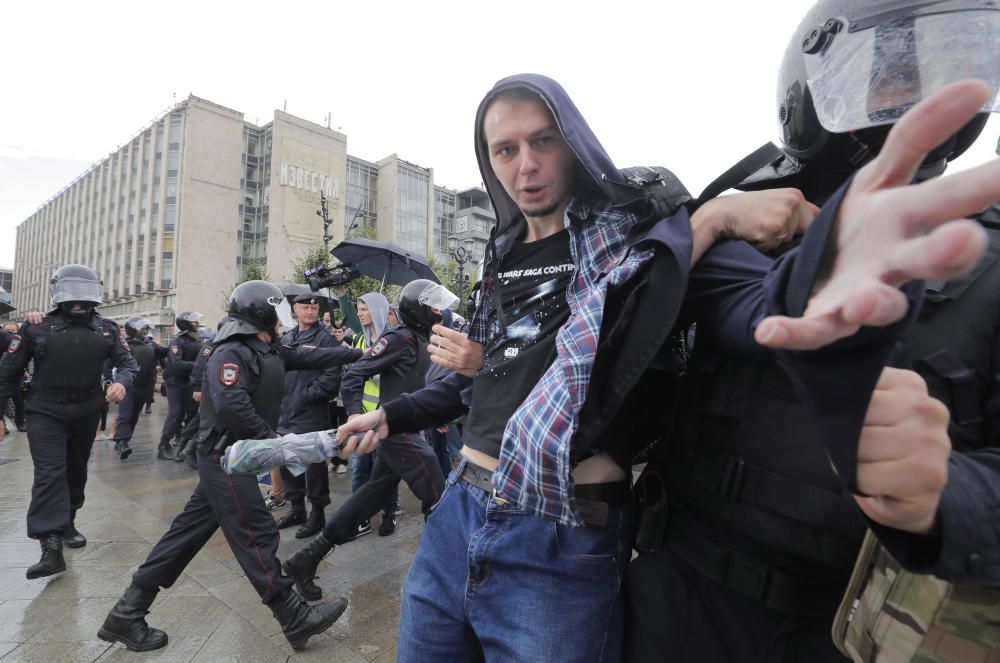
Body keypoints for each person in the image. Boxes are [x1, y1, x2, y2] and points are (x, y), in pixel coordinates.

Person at [334, 72, 999, 662]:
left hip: (562, 531)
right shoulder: (501, 252)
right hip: (459, 510)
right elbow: (474, 384)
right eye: (504, 150)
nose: (525, 165)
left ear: (576, 142)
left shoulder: (641, 226)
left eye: (543, 141)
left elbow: (719, 305)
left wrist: (714, 224)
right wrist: (388, 414)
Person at [625, 3, 1000, 659]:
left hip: (846, 631)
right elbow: (711, 312)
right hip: (677, 600)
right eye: (890, 76)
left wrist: (948, 493)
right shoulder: (743, 221)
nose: (911, 99)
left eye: (938, 73)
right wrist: (716, 224)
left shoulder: (984, 256)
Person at [97, 280, 362, 653]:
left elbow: (311, 356)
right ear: (259, 312)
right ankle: (293, 615)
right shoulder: (230, 351)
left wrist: (358, 356)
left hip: (232, 456)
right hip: (226, 458)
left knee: (184, 535)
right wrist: (275, 443)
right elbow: (230, 406)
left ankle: (126, 613)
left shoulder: (265, 347)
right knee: (255, 532)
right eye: (276, 308)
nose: (283, 316)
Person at [281, 279, 452, 600]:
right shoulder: (398, 338)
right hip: (395, 431)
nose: (440, 311)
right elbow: (357, 373)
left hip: (405, 429)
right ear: (419, 309)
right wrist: (356, 416)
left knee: (369, 497)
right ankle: (448, 577)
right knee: (438, 496)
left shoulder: (421, 338)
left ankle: (306, 558)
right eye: (434, 305)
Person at [0, 264, 137, 579]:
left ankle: (68, 522)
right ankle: (50, 546)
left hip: (87, 410)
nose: (78, 302)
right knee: (50, 473)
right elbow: (7, 373)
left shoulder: (108, 329)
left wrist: (123, 382)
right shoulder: (36, 327)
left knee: (75, 471)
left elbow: (126, 362)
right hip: (45, 409)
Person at [273, 293, 344, 538]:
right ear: (295, 309)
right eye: (305, 307)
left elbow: (332, 375)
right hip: (286, 411)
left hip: (311, 412)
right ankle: (296, 508)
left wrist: (306, 394)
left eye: (314, 308)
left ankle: (317, 513)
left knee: (314, 465)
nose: (311, 312)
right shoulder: (287, 338)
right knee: (288, 459)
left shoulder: (325, 339)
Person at [347, 291, 400, 537]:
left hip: (384, 418)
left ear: (377, 310)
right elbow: (353, 375)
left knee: (385, 468)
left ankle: (390, 512)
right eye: (358, 308)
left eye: (364, 308)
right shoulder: (359, 340)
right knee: (359, 468)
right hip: (361, 418)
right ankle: (361, 517)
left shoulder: (392, 339)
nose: (359, 313)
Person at [111, 317, 168, 460]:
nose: (145, 331)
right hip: (129, 386)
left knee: (134, 415)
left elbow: (166, 352)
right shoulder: (125, 345)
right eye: (142, 328)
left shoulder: (151, 344)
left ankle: (124, 439)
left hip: (145, 386)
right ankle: (122, 442)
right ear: (134, 330)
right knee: (125, 415)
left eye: (146, 329)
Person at [157, 311, 203, 460]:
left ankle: (183, 444)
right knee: (176, 413)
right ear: (186, 324)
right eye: (194, 321)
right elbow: (176, 364)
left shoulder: (196, 341)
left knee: (192, 413)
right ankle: (163, 446)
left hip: (189, 383)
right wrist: (198, 365)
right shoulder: (178, 341)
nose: (197, 323)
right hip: (175, 382)